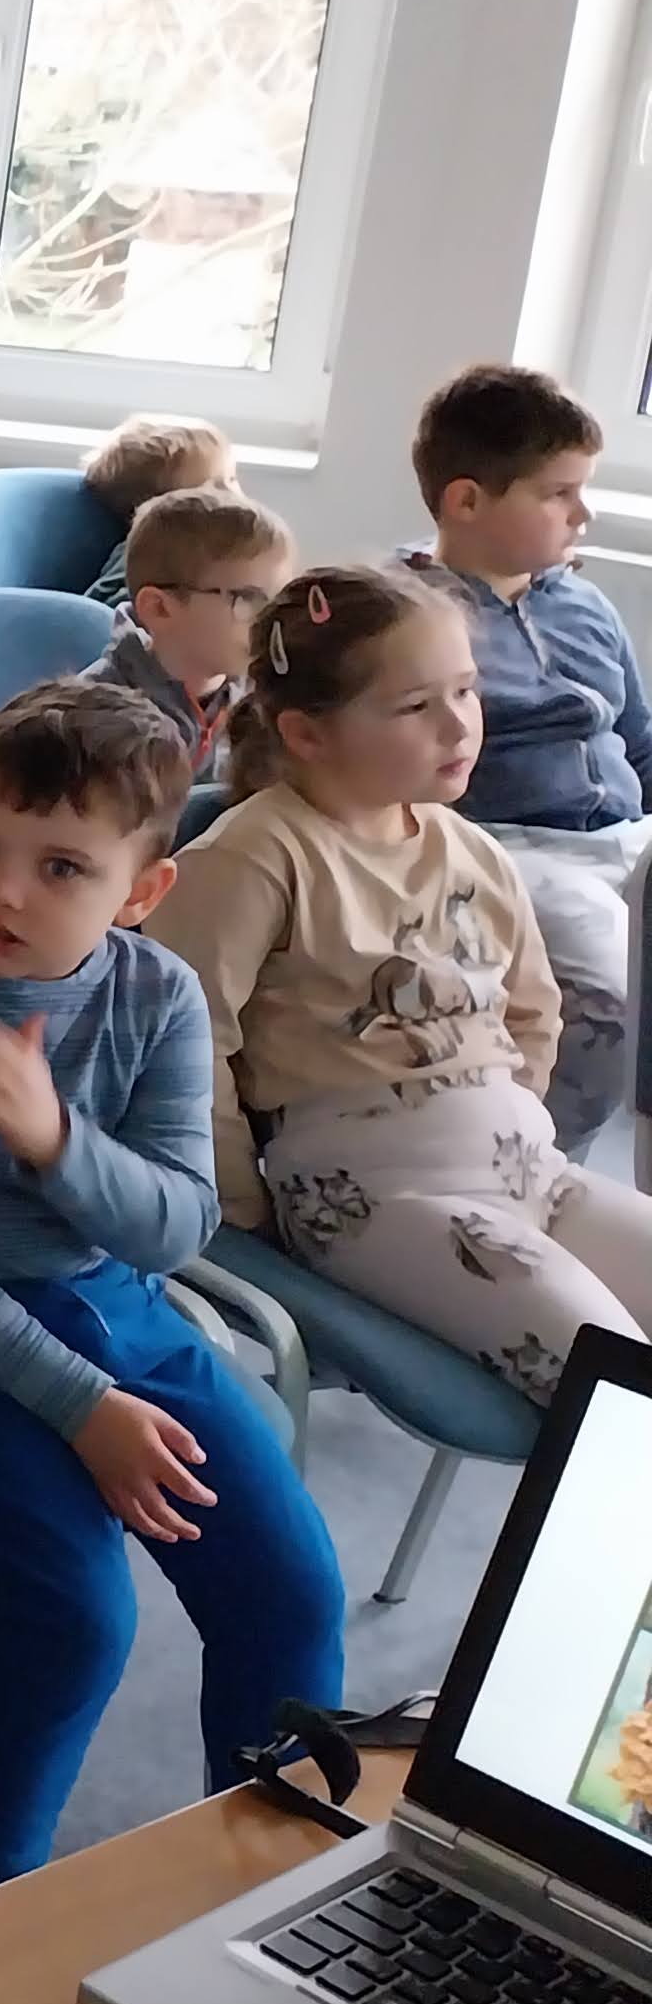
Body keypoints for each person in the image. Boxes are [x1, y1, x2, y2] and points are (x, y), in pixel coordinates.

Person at [0, 681, 342, 1943]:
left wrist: (54, 1141)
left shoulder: (158, 997)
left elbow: (175, 1226)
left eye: (60, 867)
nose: (2, 890)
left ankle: (267, 1907)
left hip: (117, 1307)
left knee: (290, 1592)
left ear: (141, 892)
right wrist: (82, 1408)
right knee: (76, 1617)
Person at [152, 567, 652, 1407]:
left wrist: (499, 1122)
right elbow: (186, 1044)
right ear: (306, 733)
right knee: (615, 1384)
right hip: (378, 1195)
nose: (460, 724)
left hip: (527, 1169)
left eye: (466, 690)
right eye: (417, 706)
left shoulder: (471, 849)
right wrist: (240, 1202)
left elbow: (532, 1008)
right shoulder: (255, 856)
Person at [402, 362, 652, 1145]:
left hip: (626, 839)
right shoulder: (405, 614)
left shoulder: (583, 601)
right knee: (619, 998)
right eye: (558, 494)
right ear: (466, 501)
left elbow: (639, 740)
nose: (584, 514)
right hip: (512, 848)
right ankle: (533, 1165)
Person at [82, 485, 289, 757]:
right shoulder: (93, 723)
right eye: (249, 598)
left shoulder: (263, 696)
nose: (272, 619)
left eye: (278, 600)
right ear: (160, 609)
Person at [79, 416, 235, 609]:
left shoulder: (230, 546)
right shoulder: (146, 555)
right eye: (212, 490)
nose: (231, 495)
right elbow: (100, 608)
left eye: (231, 479)